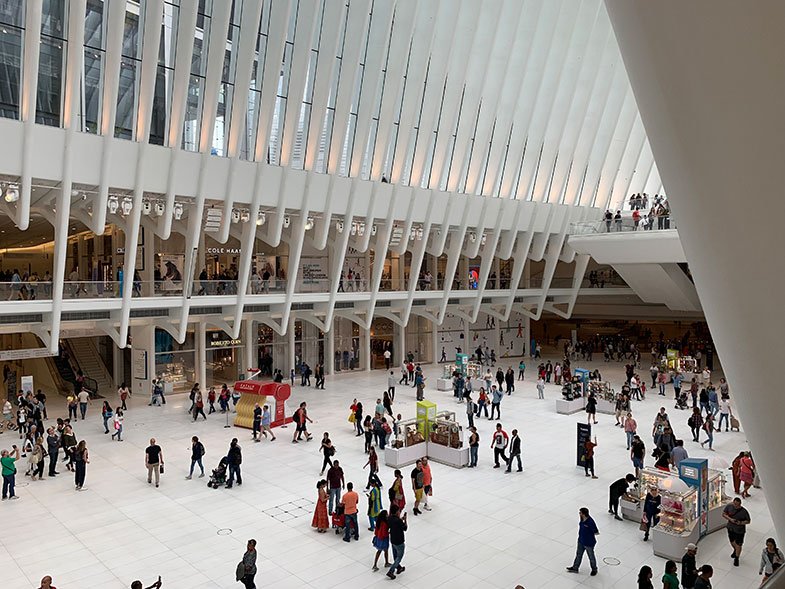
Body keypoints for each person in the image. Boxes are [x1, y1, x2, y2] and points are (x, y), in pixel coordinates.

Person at [566, 507, 599, 576]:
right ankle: (575, 568)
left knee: (591, 557)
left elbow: (596, 532)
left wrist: (589, 534)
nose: (579, 514)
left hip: (588, 543)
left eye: (580, 513)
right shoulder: (581, 519)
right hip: (581, 541)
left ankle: (594, 569)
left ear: (583, 514)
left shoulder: (590, 522)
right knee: (578, 555)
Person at [724, 496, 751, 566]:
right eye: (735, 504)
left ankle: (737, 557)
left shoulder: (744, 511)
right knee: (732, 541)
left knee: (739, 544)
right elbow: (724, 514)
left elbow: (748, 521)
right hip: (730, 528)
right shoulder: (729, 506)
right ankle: (736, 550)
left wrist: (740, 523)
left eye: (737, 505)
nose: (736, 506)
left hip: (740, 530)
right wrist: (730, 519)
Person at [386, 504, 408, 579]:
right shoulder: (398, 521)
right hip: (399, 541)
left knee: (395, 555)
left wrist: (401, 519)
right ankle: (391, 571)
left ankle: (399, 568)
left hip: (392, 539)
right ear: (396, 512)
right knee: (399, 557)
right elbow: (405, 528)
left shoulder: (389, 518)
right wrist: (405, 520)